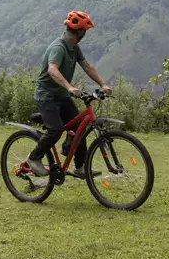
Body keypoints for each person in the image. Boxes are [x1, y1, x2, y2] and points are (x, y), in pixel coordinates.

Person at [19, 10, 112, 179]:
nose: (85, 35)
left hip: (61, 97)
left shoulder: (74, 48)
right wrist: (69, 87)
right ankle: (34, 158)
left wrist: (103, 84)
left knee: (80, 128)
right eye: (85, 31)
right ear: (80, 32)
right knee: (55, 130)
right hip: (46, 96)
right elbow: (52, 70)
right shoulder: (59, 47)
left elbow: (87, 66)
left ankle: (80, 167)